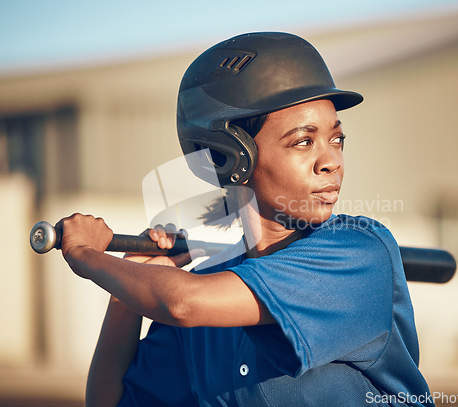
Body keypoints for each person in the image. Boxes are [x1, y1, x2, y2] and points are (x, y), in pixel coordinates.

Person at [59, 32, 435, 406]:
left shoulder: (357, 253)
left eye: (336, 139)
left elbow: (182, 303)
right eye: (304, 142)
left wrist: (87, 255)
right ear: (230, 157)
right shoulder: (205, 288)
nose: (331, 161)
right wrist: (127, 295)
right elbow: (108, 401)